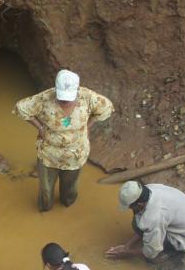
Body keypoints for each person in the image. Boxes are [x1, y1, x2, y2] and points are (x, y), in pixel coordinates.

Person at [14, 69, 114, 211]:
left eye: (68, 97)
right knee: (45, 191)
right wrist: (40, 128)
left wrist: (87, 126)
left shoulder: (87, 97)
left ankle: (66, 206)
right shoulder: (45, 98)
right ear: (56, 89)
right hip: (49, 154)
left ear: (77, 89)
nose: (65, 100)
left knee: (70, 190)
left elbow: (106, 108)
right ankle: (45, 210)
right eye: (61, 96)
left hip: (75, 155)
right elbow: (21, 108)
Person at [106, 181, 185, 261]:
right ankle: (151, 237)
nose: (130, 209)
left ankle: (166, 252)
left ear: (139, 204)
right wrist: (127, 246)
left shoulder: (154, 216)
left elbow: (150, 253)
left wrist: (127, 253)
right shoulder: (148, 189)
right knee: (138, 222)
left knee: (150, 250)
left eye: (130, 207)